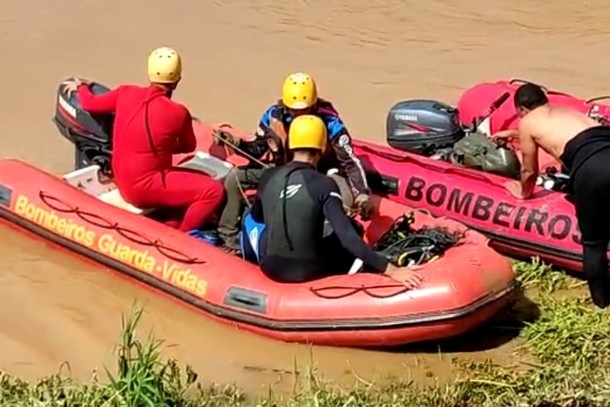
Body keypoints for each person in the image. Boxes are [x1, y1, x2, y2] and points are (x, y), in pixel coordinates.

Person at [244, 114, 422, 286]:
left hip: (271, 268)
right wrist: (391, 270)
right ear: (322, 148)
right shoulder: (325, 184)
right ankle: (357, 270)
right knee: (353, 227)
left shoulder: (268, 177)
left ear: (291, 144)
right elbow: (348, 239)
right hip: (309, 272)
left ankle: (246, 264)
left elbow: (258, 218)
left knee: (249, 220)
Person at [61, 47, 225, 233]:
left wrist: (82, 86)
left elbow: (90, 103)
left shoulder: (125, 92)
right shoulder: (179, 113)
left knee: (197, 179)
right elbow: (189, 146)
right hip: (144, 189)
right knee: (213, 191)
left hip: (121, 178)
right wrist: (167, 143)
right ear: (178, 80)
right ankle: (180, 237)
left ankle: (169, 221)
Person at [215, 72, 372, 250]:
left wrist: (362, 194)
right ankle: (228, 236)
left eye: (304, 110)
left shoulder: (330, 122)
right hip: (283, 171)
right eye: (294, 110)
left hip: (322, 176)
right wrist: (235, 142)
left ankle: (323, 243)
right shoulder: (273, 116)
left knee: (343, 199)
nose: (299, 114)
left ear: (313, 104)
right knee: (235, 178)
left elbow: (349, 161)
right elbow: (257, 150)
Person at [492, 83, 610, 309]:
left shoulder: (527, 121)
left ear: (522, 109)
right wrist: (515, 134)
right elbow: (566, 136)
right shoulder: (567, 112)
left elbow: (529, 171)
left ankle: (602, 303)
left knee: (594, 243)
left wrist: (523, 192)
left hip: (593, 168)